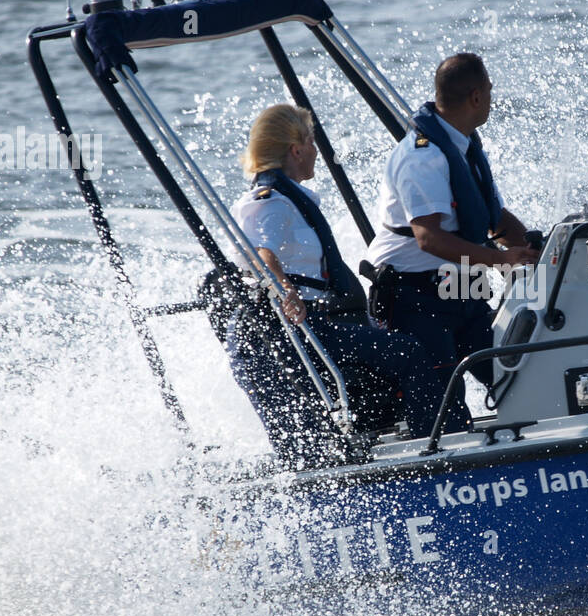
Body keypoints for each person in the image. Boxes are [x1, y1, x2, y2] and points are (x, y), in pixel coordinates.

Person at [225, 104, 446, 452]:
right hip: (279, 331)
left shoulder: (287, 199)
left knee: (405, 347)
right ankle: (431, 453)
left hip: (308, 324)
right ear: (296, 150)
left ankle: (423, 439)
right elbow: (260, 254)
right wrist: (286, 291)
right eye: (312, 143)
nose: (316, 151)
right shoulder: (269, 202)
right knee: (408, 353)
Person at [366, 53, 538, 425]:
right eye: (490, 90)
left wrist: (539, 252)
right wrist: (503, 261)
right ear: (476, 97)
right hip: (415, 292)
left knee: (519, 372)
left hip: (461, 283)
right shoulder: (422, 158)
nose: (492, 98)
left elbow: (493, 217)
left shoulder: (463, 147)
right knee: (443, 409)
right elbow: (429, 239)